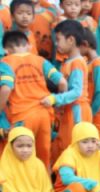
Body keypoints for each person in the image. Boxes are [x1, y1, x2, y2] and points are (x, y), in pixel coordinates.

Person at [0, 30, 65, 167]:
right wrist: (58, 105)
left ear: (6, 50)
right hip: (44, 114)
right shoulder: (40, 60)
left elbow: (6, 88)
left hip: (22, 117)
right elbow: (62, 82)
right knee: (43, 159)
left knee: (19, 160)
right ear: (28, 45)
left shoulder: (5, 62)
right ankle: (45, 181)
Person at [50, 20, 91, 163]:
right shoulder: (68, 62)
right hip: (69, 111)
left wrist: (54, 99)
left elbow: (76, 92)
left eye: (58, 39)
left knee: (74, 148)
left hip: (77, 111)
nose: (56, 44)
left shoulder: (77, 62)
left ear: (71, 40)